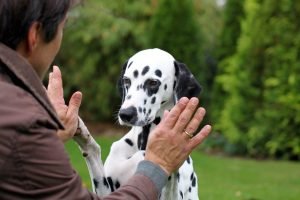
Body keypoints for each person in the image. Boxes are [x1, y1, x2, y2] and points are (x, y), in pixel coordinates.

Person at [0, 0, 212, 199]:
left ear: (179, 86)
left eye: (152, 84)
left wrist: (62, 139)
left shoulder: (12, 109)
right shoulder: (22, 123)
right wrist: (159, 166)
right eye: (63, 28)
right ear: (34, 35)